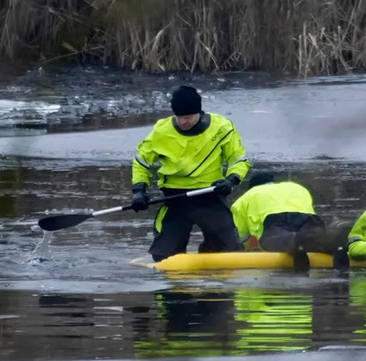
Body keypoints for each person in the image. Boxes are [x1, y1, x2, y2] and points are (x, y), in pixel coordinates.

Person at [130, 85, 250, 262]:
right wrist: (139, 191)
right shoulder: (161, 131)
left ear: (199, 113)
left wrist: (231, 180)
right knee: (162, 256)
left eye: (187, 117)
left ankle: (211, 251)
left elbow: (238, 160)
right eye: (179, 117)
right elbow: (141, 163)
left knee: (231, 253)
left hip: (210, 196)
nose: (183, 122)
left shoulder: (221, 128)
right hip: (176, 199)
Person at [230, 172, 331, 271]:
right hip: (307, 218)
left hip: (274, 220)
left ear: (252, 187)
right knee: (314, 234)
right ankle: (333, 239)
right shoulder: (296, 187)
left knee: (279, 238)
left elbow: (238, 237)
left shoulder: (249, 195)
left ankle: (295, 242)